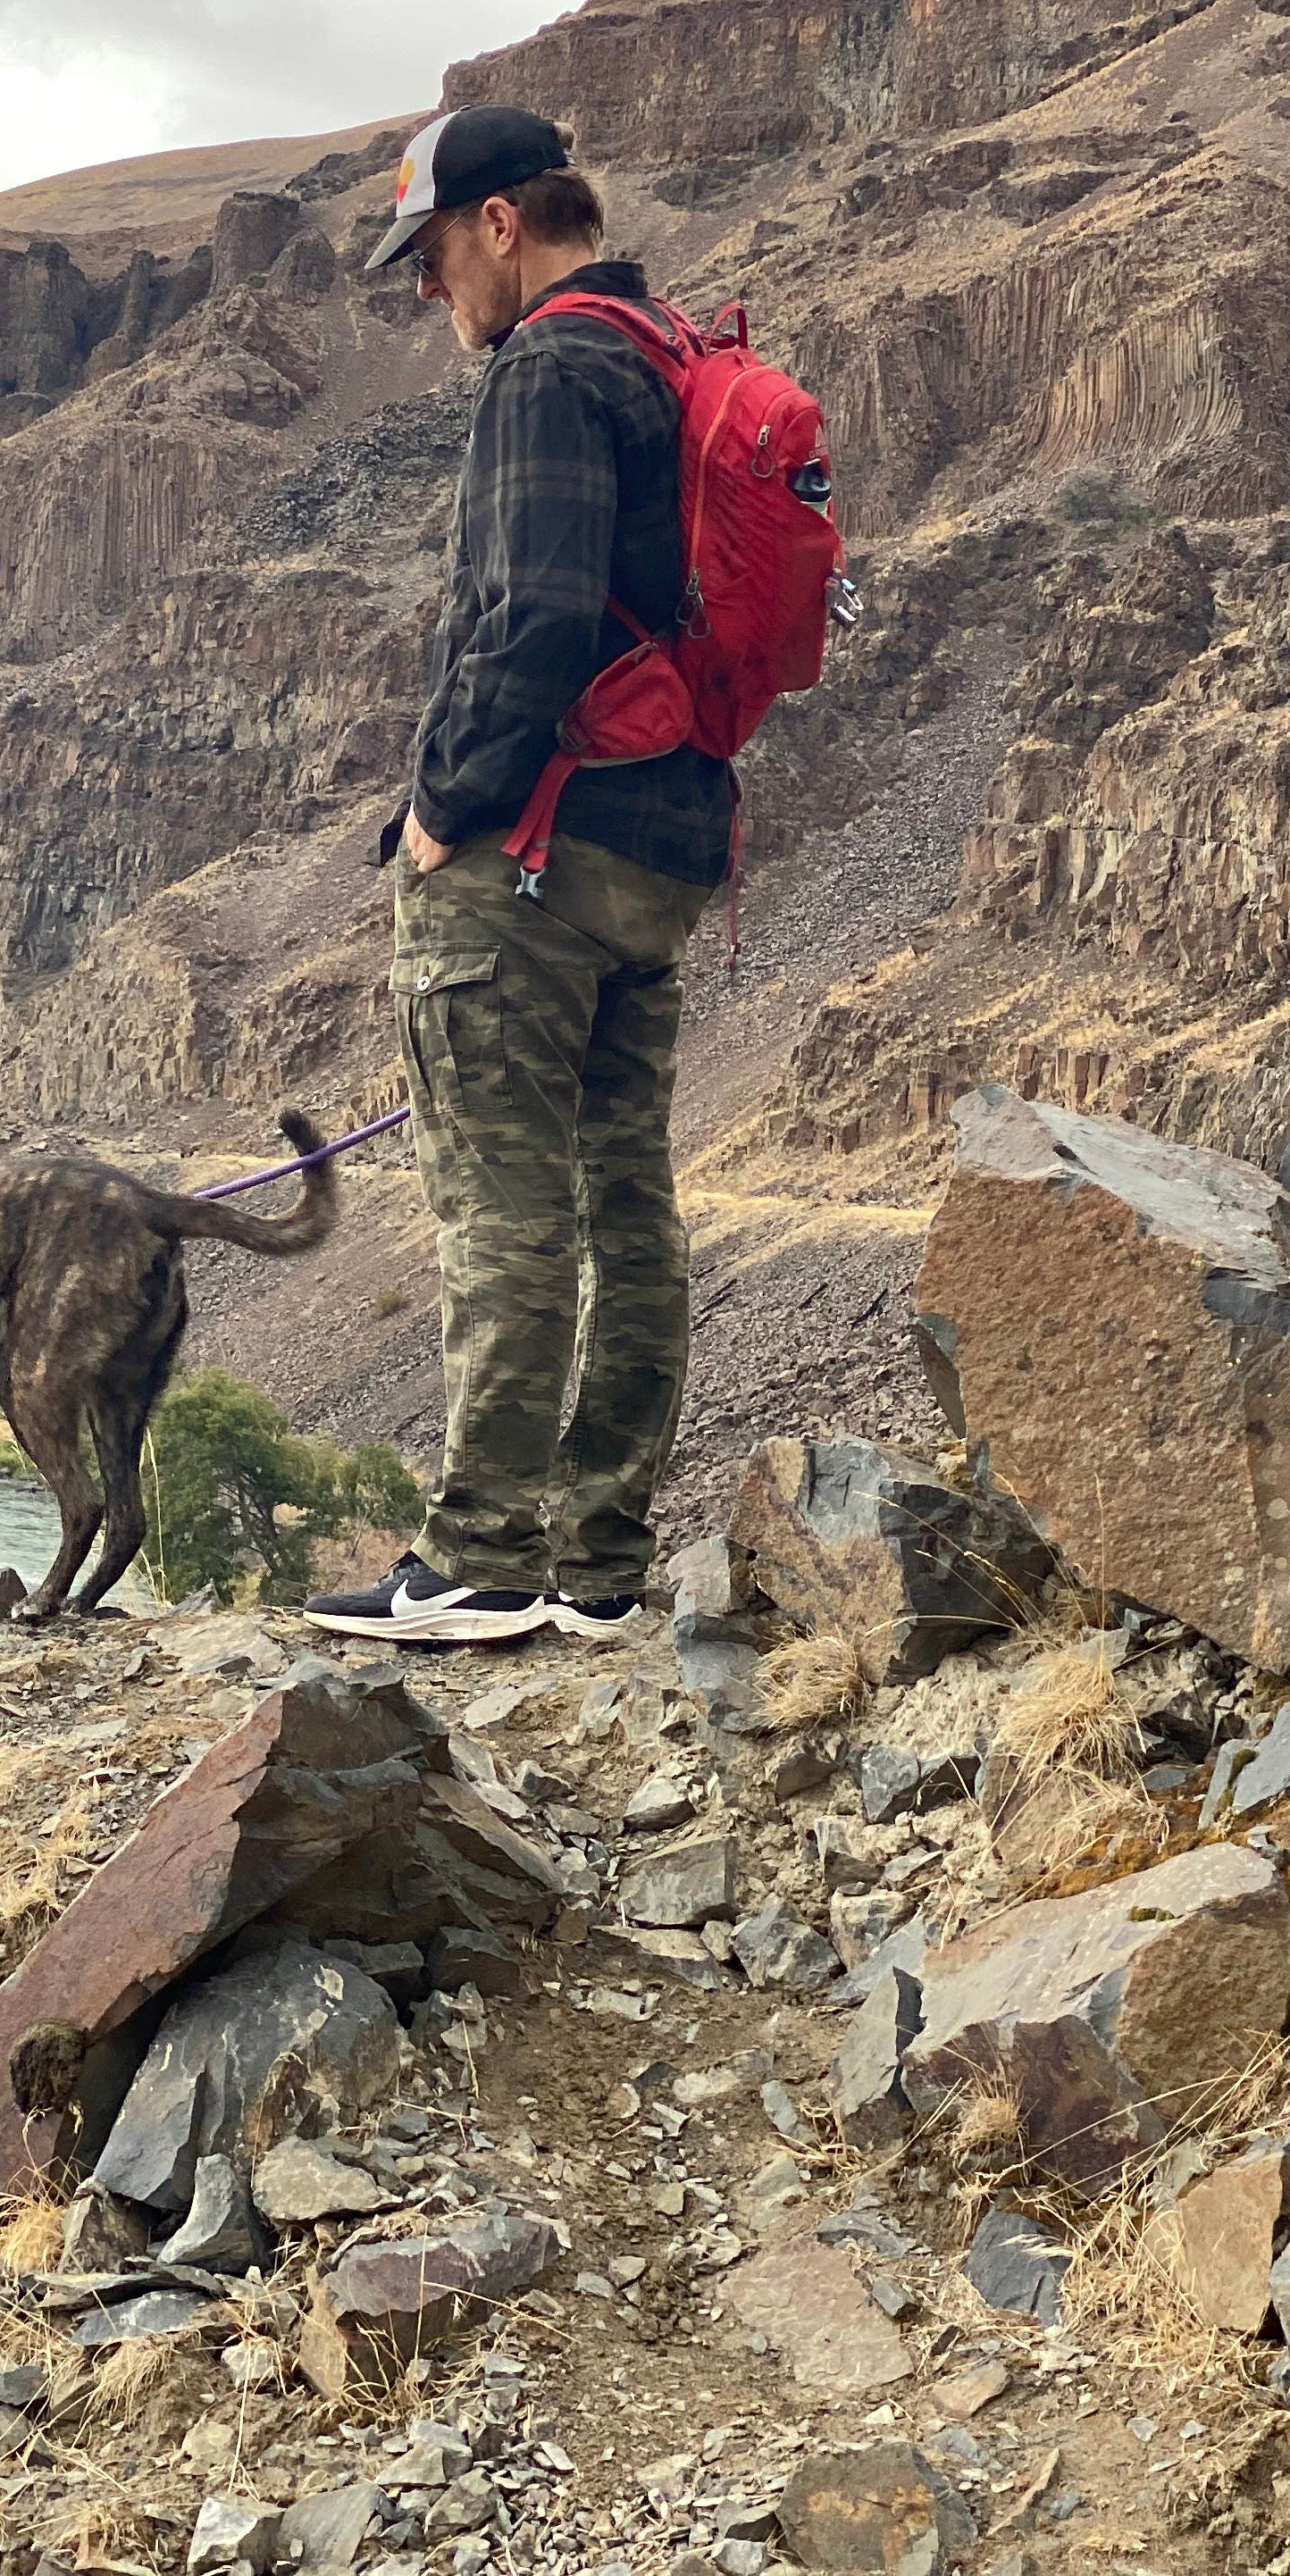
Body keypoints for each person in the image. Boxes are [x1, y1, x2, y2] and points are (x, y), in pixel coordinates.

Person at [306, 105, 732, 1649]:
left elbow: (534, 620)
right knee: (627, 1201)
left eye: (430, 254)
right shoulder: (665, 352)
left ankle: (482, 1555)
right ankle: (600, 1562)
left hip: (535, 853)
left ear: (500, 224)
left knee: (503, 1207)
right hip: (662, 847)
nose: (429, 290)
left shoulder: (549, 367)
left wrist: (443, 812)